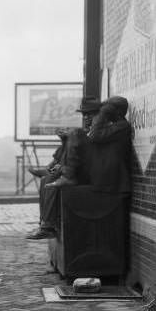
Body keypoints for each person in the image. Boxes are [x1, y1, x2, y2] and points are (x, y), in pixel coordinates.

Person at [25, 96, 102, 240]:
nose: (85, 118)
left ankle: (56, 170)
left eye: (89, 114)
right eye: (83, 115)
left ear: (99, 114)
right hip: (81, 168)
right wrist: (66, 138)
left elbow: (91, 151)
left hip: (91, 174)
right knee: (47, 181)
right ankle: (46, 225)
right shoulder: (91, 129)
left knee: (74, 134)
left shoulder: (101, 128)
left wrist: (73, 135)